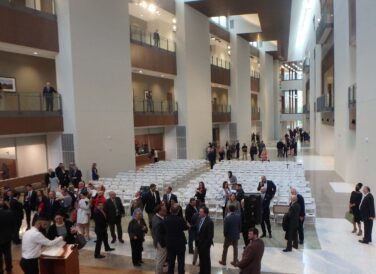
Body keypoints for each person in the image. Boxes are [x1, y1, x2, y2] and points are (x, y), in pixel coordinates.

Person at [164, 205, 188, 274]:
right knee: (181, 261)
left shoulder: (166, 219)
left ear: (170, 211)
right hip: (180, 243)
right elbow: (186, 228)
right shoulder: (181, 219)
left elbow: (164, 229)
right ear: (178, 211)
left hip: (170, 243)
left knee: (171, 261)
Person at [196, 206, 214, 274]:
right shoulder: (199, 219)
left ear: (205, 213)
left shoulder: (209, 222)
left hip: (205, 245)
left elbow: (210, 236)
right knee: (201, 259)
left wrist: (205, 246)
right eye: (199, 211)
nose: (199, 213)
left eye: (201, 212)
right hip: (199, 244)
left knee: (206, 260)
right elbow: (198, 230)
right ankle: (202, 271)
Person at [0, 198, 15, 274]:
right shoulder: (9, 213)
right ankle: (9, 268)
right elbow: (13, 225)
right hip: (7, 237)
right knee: (8, 254)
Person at [152, 205, 167, 274]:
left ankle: (157, 271)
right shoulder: (159, 222)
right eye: (164, 210)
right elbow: (160, 236)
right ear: (159, 211)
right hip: (161, 243)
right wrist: (163, 245)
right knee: (160, 261)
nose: (166, 211)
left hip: (157, 242)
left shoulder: (156, 217)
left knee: (158, 259)